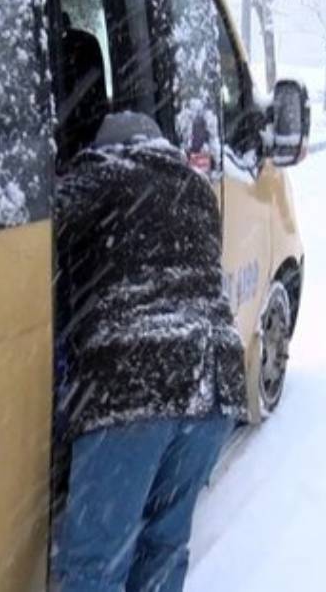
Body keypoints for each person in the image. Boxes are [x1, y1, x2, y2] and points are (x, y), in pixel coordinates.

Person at [53, 110, 247, 592]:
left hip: (134, 386)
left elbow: (34, 226)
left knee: (96, 560)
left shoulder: (103, 173)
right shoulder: (198, 189)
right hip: (214, 385)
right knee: (163, 544)